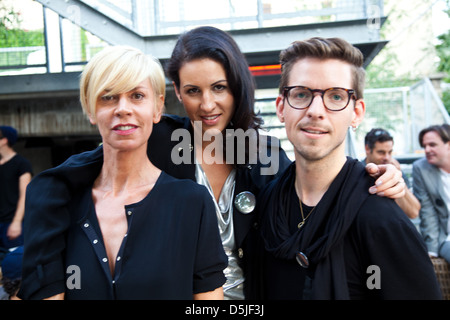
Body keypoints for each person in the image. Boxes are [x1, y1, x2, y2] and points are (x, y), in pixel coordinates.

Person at [18, 27, 405, 300]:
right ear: (176, 94)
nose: (207, 104)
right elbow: (87, 171)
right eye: (193, 91)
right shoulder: (158, 141)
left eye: (219, 87)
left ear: (237, 85)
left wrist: (372, 175)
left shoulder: (263, 154)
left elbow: (312, 190)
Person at [18, 45, 227, 300]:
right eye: (108, 97)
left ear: (157, 107)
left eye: (137, 96)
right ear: (90, 108)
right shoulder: (57, 202)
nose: (123, 108)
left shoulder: (192, 202)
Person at [259, 37, 441, 299]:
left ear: (356, 112)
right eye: (301, 94)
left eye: (335, 96)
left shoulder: (379, 217)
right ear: (281, 107)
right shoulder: (267, 204)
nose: (316, 110)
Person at [363, 128, 420, 219]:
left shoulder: (396, 171)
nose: (387, 157)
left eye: (390, 152)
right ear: (367, 149)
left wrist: (398, 178)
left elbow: (413, 212)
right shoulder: (359, 172)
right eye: (381, 152)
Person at [413, 124, 450, 263]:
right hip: (447, 238)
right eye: (425, 146)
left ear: (448, 145)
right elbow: (428, 212)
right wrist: (432, 249)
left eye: (432, 145)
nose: (427, 150)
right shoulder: (421, 169)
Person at [0, 126, 32, 262]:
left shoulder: (22, 164)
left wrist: (17, 222)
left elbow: (25, 194)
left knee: (15, 263)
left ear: (4, 140)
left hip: (12, 224)